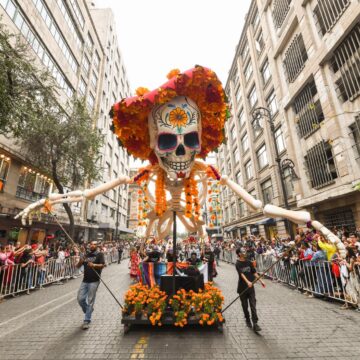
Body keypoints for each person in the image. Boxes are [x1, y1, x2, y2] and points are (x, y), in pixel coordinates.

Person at [76, 241, 105, 330]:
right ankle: (89, 310)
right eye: (91, 244)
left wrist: (94, 265)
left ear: (97, 246)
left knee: (90, 300)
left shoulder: (100, 254)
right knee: (80, 298)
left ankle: (87, 320)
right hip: (85, 280)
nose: (92, 245)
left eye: (94, 244)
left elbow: (103, 265)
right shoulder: (86, 255)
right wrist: (81, 260)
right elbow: (77, 266)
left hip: (94, 280)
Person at [235, 247, 265, 332]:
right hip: (242, 288)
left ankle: (255, 323)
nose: (244, 252)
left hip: (251, 287)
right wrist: (248, 282)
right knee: (245, 306)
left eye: (245, 251)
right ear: (239, 254)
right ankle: (247, 319)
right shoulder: (238, 263)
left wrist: (261, 281)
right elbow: (241, 274)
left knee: (253, 305)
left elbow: (254, 272)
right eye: (242, 251)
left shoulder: (248, 262)